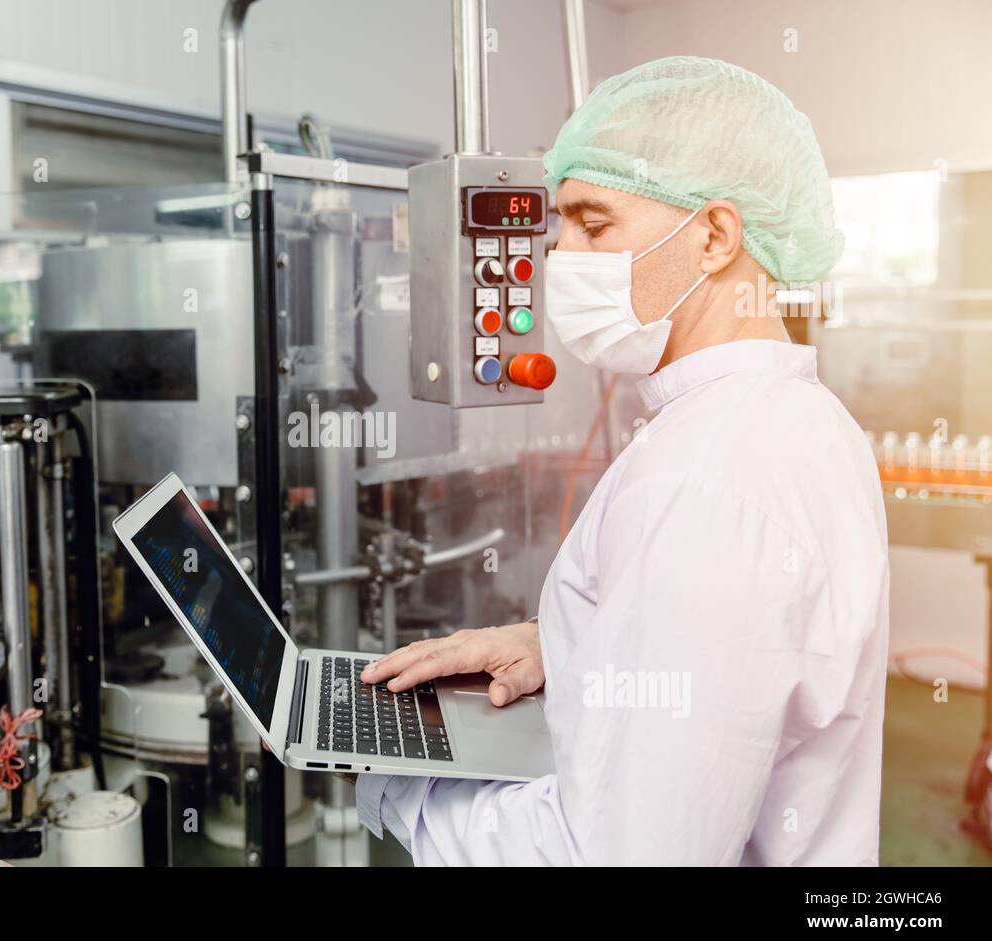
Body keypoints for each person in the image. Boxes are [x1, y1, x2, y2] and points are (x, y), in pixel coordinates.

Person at [356, 56, 889, 865]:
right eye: (558, 223)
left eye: (593, 224)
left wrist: (393, 781)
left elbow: (616, 857)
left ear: (713, 236)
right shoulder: (796, 420)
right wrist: (566, 645)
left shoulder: (708, 481)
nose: (556, 254)